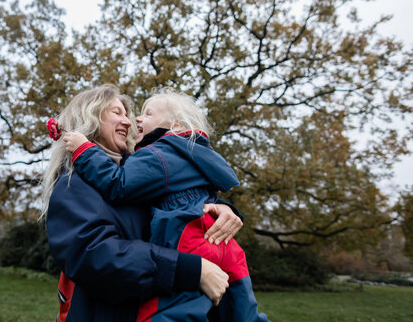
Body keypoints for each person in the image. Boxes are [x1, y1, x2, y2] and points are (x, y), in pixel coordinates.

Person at [63, 89, 270, 321]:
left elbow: (121, 184)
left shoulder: (153, 157)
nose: (132, 120)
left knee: (176, 313)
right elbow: (96, 256)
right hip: (218, 251)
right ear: (90, 118)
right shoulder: (74, 185)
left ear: (175, 126)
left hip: (191, 242)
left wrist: (223, 208)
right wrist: (190, 269)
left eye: (144, 114)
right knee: (244, 309)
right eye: (116, 112)